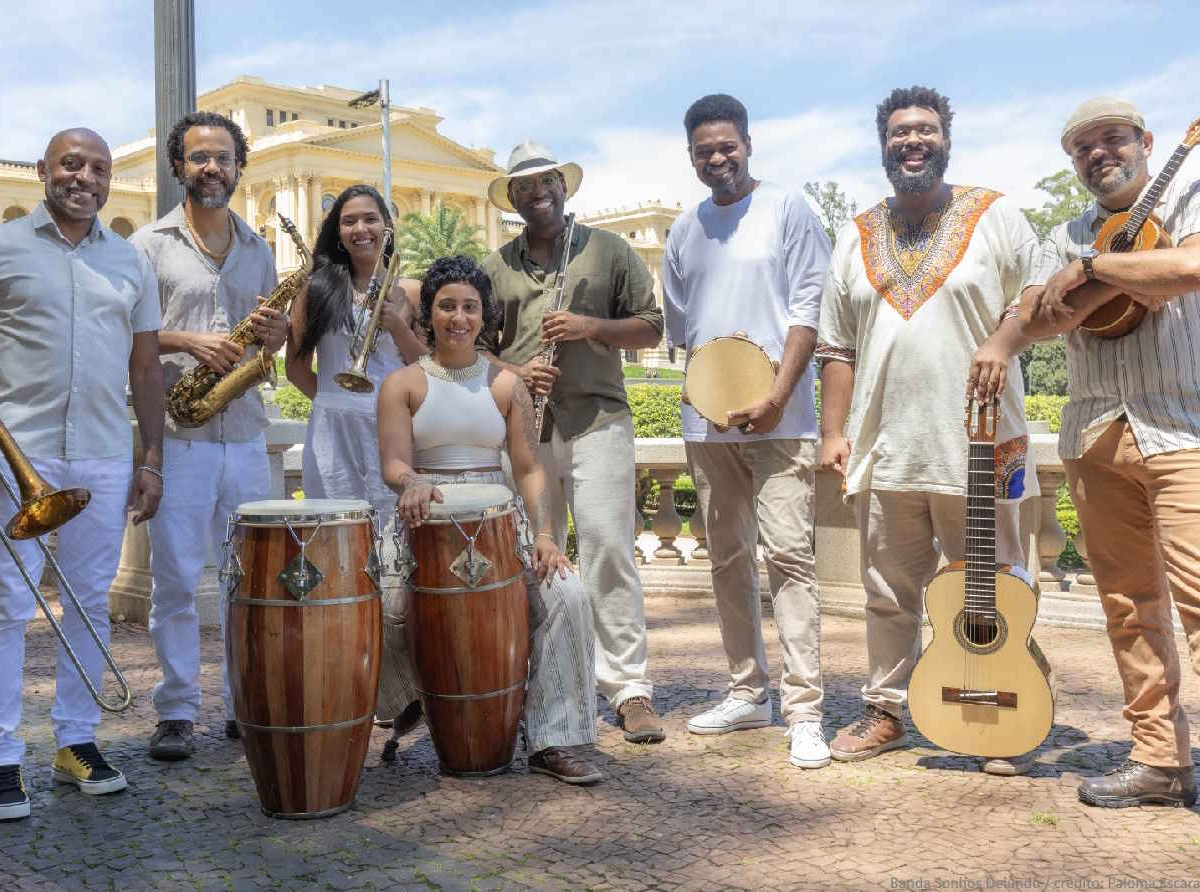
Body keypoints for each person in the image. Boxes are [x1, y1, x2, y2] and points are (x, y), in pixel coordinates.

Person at [816, 86, 1042, 775]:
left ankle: (1010, 714)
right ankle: (887, 709)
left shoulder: (995, 214)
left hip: (982, 445)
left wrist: (1002, 341)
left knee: (998, 586)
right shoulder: (855, 235)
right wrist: (833, 432)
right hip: (888, 448)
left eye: (926, 130)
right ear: (882, 145)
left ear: (946, 139)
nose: (912, 141)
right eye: (899, 132)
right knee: (887, 591)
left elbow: (1039, 298)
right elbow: (836, 347)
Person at [1019, 97, 1200, 808]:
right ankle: (1160, 760)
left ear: (1147, 142)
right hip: (1094, 434)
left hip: (1185, 430)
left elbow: (1188, 271)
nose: (1100, 154)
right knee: (1128, 607)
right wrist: (1100, 278)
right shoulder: (1057, 233)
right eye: (1083, 147)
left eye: (1113, 139)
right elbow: (1034, 318)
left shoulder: (1188, 199)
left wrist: (1093, 269)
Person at [377, 254, 603, 784]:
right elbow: (393, 462)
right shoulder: (402, 384)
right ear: (426, 317)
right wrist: (411, 483)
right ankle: (410, 695)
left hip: (500, 522)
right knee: (384, 609)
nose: (459, 317)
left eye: (471, 307)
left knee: (567, 596)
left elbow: (528, 468)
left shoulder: (505, 383)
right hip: (423, 515)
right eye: (447, 306)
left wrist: (545, 536)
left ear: (484, 317)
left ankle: (555, 738)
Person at [661, 94, 832, 769]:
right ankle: (746, 692)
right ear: (692, 156)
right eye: (704, 150)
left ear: (749, 144)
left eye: (727, 145)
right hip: (705, 427)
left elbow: (809, 309)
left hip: (783, 421)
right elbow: (684, 332)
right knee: (728, 560)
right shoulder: (683, 229)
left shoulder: (788, 209)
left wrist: (776, 394)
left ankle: (806, 710)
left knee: (790, 558)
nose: (718, 157)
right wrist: (709, 393)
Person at [0, 128, 165, 820]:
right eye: (72, 164)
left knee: (88, 603)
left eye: (98, 168)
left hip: (99, 452)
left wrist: (150, 457)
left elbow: (146, 367)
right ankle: (3, 755)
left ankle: (76, 740)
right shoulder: (6, 246)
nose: (85, 178)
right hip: (18, 453)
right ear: (44, 170)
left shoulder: (130, 260)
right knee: (7, 604)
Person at [479, 141, 666, 743]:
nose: (539, 195)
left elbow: (651, 326)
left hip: (597, 421)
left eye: (548, 183)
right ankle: (546, 678)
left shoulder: (608, 250)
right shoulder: (495, 266)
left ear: (564, 186)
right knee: (536, 557)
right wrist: (513, 371)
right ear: (513, 199)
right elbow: (467, 346)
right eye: (526, 187)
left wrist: (589, 327)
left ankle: (628, 687)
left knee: (610, 550)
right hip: (525, 431)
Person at [132, 111, 288, 761]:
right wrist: (187, 339)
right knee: (174, 578)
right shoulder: (147, 246)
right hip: (180, 432)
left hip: (246, 434)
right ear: (179, 167)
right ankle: (175, 709)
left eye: (222, 156)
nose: (211, 167)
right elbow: (129, 336)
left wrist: (277, 339)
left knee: (246, 579)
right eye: (199, 157)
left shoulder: (261, 250)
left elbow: (278, 339)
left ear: (238, 165)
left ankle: (239, 702)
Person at [284, 183, 425, 728]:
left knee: (395, 553)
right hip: (335, 430)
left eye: (370, 219)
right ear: (337, 232)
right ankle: (345, 675)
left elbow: (424, 365)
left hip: (396, 428)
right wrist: (334, 403)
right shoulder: (318, 287)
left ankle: (396, 686)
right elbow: (297, 365)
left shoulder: (407, 289)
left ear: (387, 224)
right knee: (337, 549)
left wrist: (394, 321)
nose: (360, 229)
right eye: (349, 221)